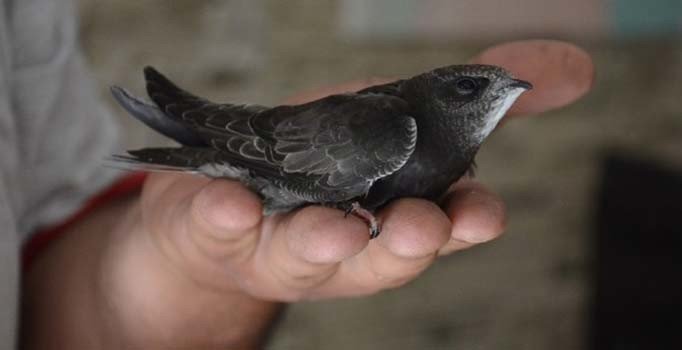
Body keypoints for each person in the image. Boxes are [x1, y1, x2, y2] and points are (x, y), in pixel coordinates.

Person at [1, 0, 594, 348]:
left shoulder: (448, 145)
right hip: (267, 155)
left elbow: (51, 222)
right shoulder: (392, 131)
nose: (502, 93)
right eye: (475, 88)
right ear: (442, 100)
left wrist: (198, 275)